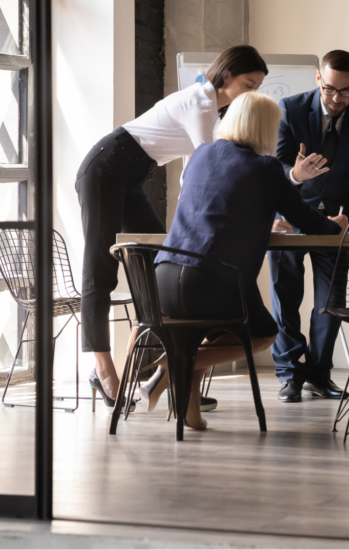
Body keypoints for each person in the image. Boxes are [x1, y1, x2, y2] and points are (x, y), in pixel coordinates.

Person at [141, 92, 348, 429]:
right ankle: (169, 367)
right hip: (209, 279)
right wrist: (336, 224)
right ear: (266, 129)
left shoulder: (201, 154)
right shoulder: (265, 167)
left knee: (204, 332)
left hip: (162, 277)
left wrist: (262, 220)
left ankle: (189, 411)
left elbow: (216, 207)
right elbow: (307, 221)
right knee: (264, 333)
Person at [76, 46, 268, 405]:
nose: (253, 93)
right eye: (249, 84)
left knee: (156, 265)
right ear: (226, 76)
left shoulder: (216, 109)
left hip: (131, 174)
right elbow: (205, 168)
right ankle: (103, 371)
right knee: (101, 268)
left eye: (258, 87)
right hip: (106, 168)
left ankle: (170, 378)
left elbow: (193, 173)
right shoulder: (201, 102)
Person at [269, 50, 349, 402]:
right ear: (319, 79)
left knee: (330, 299)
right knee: (285, 296)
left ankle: (319, 374)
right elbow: (277, 165)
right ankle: (289, 374)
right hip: (290, 214)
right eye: (330, 89)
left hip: (336, 219)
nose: (337, 99)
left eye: (346, 91)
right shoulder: (289, 108)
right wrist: (295, 175)